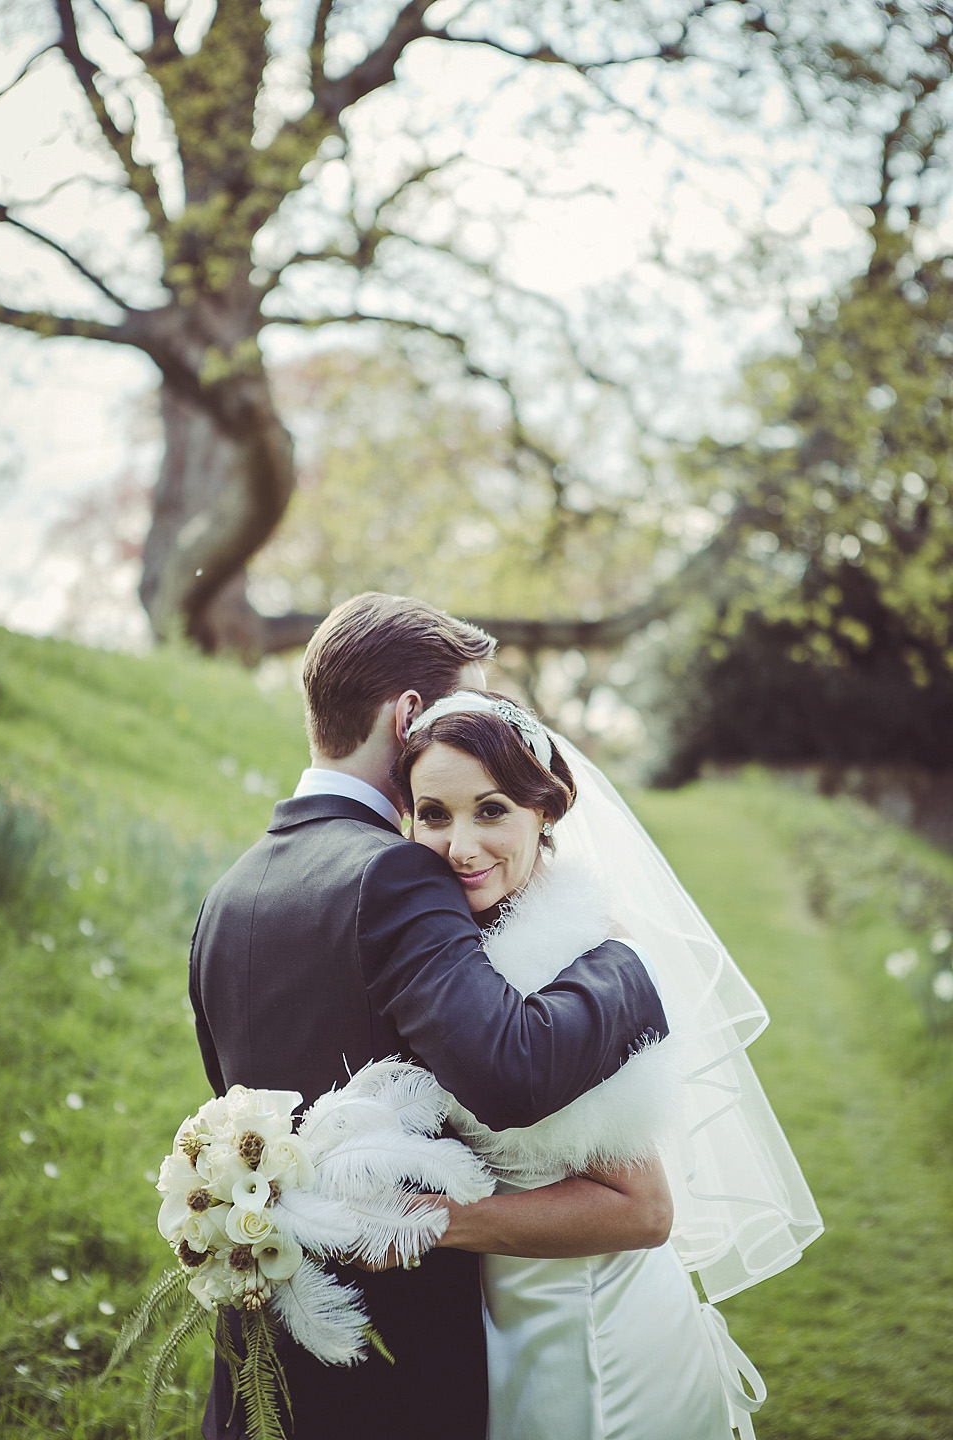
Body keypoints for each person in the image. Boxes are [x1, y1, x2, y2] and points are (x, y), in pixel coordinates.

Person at [188, 594, 671, 1440]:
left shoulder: (227, 896)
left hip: (261, 1343)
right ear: (410, 714)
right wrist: (632, 965)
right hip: (398, 1360)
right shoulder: (402, 875)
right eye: (456, 706)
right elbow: (508, 1069)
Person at [392, 689, 824, 1440]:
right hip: (507, 1317)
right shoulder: (463, 937)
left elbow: (645, 1209)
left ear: (545, 813)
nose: (461, 845)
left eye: (491, 811)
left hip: (588, 1336)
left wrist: (436, 1225)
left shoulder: (574, 958)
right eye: (435, 814)